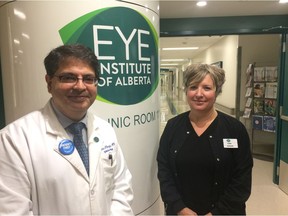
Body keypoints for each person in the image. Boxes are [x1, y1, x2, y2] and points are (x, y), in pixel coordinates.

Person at [0, 44, 134, 215]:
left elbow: (121, 187)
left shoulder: (105, 129)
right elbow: (12, 210)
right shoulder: (13, 139)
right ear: (49, 83)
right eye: (68, 77)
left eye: (88, 78)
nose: (80, 86)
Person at [157, 64, 253, 215]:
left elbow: (242, 179)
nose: (199, 94)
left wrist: (216, 213)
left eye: (207, 88)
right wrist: (179, 208)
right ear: (186, 90)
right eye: (193, 87)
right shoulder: (173, 127)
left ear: (216, 92)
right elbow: (164, 170)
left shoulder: (235, 129)